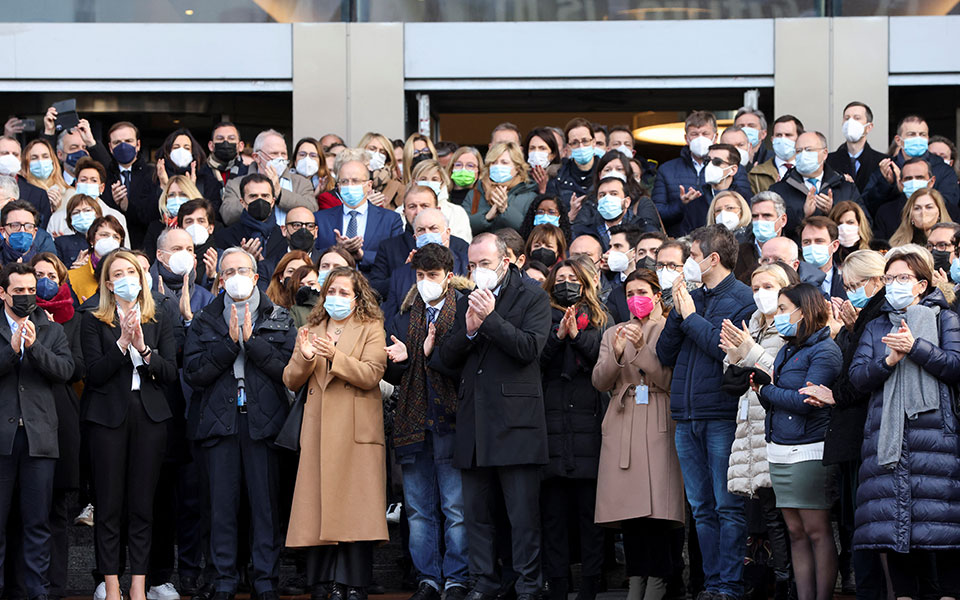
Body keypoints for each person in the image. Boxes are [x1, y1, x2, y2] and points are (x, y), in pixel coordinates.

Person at [438, 233, 552, 600]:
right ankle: (483, 582)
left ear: (506, 262)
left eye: (484, 264)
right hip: (474, 422)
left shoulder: (532, 295)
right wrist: (470, 332)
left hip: (516, 423)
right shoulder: (465, 300)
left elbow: (529, 348)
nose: (477, 271)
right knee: (476, 515)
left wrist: (489, 320)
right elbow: (444, 359)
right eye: (472, 265)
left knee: (522, 517)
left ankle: (529, 586)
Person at [182, 247, 296, 600]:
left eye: (242, 270)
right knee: (221, 507)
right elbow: (194, 372)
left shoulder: (279, 317)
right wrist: (230, 344)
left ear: (256, 276)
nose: (235, 277)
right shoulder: (205, 319)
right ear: (220, 280)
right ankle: (223, 580)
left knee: (265, 507)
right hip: (220, 424)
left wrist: (253, 342)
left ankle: (265, 580)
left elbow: (288, 371)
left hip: (265, 423)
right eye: (228, 272)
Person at [848, 245, 960, 599]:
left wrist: (916, 348)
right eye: (889, 278)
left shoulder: (944, 319)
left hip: (936, 440)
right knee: (894, 530)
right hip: (887, 439)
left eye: (902, 278)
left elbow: (955, 366)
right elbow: (857, 378)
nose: (894, 284)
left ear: (922, 284)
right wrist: (888, 361)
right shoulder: (876, 324)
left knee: (943, 530)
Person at [655, 224, 756, 600]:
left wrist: (691, 316)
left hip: (721, 415)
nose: (687, 264)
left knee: (727, 506)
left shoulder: (743, 299)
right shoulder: (691, 297)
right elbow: (664, 353)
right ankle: (712, 584)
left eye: (693, 256)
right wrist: (679, 312)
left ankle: (729, 584)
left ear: (713, 259)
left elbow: (725, 350)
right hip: (687, 415)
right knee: (700, 508)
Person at [282, 266, 388, 600]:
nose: (336, 298)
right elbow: (290, 379)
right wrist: (305, 357)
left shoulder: (372, 327)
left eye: (344, 293)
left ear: (357, 298)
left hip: (356, 432)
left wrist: (335, 357)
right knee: (317, 510)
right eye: (331, 291)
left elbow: (372, 374)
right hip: (318, 430)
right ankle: (323, 583)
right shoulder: (311, 328)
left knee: (356, 510)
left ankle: (354, 584)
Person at [81, 250, 178, 600]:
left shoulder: (159, 317)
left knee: (142, 506)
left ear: (141, 277)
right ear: (108, 284)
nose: (126, 279)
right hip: (107, 419)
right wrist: (122, 344)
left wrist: (144, 349)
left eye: (131, 272)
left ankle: (138, 584)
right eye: (118, 274)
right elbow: (92, 374)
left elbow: (170, 373)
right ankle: (111, 585)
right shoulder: (93, 319)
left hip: (149, 417)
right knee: (108, 506)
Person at [383, 244, 472, 600]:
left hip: (452, 422)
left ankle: (457, 579)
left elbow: (467, 366)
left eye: (432, 275)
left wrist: (430, 354)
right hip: (413, 424)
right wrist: (403, 360)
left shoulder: (465, 310)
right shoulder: (404, 316)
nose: (425, 282)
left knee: (455, 509)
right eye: (420, 275)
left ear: (449, 277)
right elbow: (392, 373)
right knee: (418, 510)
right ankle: (428, 579)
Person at [593, 267, 685, 599]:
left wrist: (643, 349)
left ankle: (659, 580)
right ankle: (635, 579)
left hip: (659, 417)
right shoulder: (613, 333)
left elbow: (670, 380)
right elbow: (600, 381)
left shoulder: (669, 329)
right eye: (630, 294)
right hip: (623, 420)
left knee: (658, 510)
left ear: (657, 295)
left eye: (643, 292)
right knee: (628, 510)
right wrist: (618, 353)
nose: (636, 299)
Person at [752, 283, 841, 600]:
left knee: (816, 530)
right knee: (795, 531)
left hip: (809, 450)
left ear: (803, 311)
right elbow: (778, 402)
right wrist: (762, 389)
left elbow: (806, 400)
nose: (777, 315)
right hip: (779, 449)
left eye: (783, 309)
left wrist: (766, 390)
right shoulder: (787, 349)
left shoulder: (825, 350)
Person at [720, 263, 797, 599]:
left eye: (769, 287)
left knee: (783, 517)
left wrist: (750, 351)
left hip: (779, 427)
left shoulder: (791, 323)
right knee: (766, 514)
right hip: (750, 426)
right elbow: (735, 379)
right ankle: (772, 582)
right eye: (756, 288)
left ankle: (788, 584)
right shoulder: (750, 324)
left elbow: (783, 374)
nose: (761, 294)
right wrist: (734, 357)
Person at [0, 262, 74, 600]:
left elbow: (65, 371)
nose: (27, 296)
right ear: (3, 293)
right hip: (2, 440)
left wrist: (34, 348)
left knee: (37, 523)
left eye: (31, 290)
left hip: (39, 440)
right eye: (19, 291)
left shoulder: (50, 329)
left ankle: (37, 593)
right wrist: (11, 350)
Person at [819, 249, 888, 599]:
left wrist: (855, 329)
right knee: (858, 523)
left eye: (856, 285)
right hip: (854, 435)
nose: (850, 293)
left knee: (871, 525)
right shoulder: (861, 320)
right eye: (846, 286)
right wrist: (850, 329)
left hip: (868, 433)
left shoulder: (880, 316)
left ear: (877, 280)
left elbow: (857, 379)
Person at [538, 258, 608, 600]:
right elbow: (535, 360)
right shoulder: (541, 316)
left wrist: (577, 337)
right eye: (560, 277)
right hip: (551, 423)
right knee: (553, 516)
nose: (566, 282)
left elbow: (602, 360)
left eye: (572, 277)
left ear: (584, 283)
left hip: (587, 424)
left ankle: (591, 583)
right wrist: (558, 336)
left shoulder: (598, 318)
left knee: (589, 515)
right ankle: (558, 583)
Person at [29, 253, 84, 599]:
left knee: (57, 510)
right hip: (23, 417)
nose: (44, 280)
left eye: (51, 275)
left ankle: (57, 584)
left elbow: (77, 368)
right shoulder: (13, 318)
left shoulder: (73, 319)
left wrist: (51, 334)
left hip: (61, 418)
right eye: (38, 274)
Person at [652, 111, 749, 237]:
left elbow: (745, 202)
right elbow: (657, 214)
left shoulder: (735, 169)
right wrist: (682, 205)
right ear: (686, 138)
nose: (700, 138)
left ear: (715, 136)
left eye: (705, 133)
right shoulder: (667, 170)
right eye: (694, 134)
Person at [314, 149, 404, 273]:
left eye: (355, 181)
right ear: (338, 186)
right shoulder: (320, 219)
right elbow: (311, 255)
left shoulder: (390, 220)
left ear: (369, 185)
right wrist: (338, 250)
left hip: (372, 282)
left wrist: (362, 255)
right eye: (344, 181)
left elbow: (396, 258)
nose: (350, 186)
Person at [768, 130, 864, 239]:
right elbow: (773, 231)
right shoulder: (779, 190)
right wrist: (804, 215)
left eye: (809, 150)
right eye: (799, 151)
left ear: (824, 153)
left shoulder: (846, 188)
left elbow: (864, 224)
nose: (803, 155)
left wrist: (832, 212)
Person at [862, 115, 960, 219]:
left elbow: (950, 206)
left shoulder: (944, 170)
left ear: (927, 138)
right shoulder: (887, 168)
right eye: (912, 134)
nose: (918, 138)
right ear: (898, 140)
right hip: (895, 227)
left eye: (922, 134)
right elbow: (868, 206)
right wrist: (889, 185)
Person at [381, 208, 469, 324]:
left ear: (447, 233)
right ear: (415, 237)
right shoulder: (400, 275)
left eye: (433, 228)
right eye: (421, 230)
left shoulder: (466, 264)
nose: (427, 234)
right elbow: (391, 321)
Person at [84, 121, 159, 248]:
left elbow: (153, 215)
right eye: (117, 142)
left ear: (138, 145)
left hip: (143, 247)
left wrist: (127, 206)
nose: (123, 146)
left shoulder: (152, 175)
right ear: (110, 147)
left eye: (128, 141)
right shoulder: (105, 176)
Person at [220, 129, 317, 226]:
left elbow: (313, 209)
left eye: (283, 154)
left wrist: (280, 194)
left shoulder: (301, 183)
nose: (280, 158)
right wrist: (257, 197)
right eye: (274, 154)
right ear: (257, 157)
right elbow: (227, 216)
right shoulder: (235, 184)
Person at [464, 142, 538, 234]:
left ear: (517, 168)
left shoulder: (529, 197)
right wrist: (487, 217)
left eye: (504, 162)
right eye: (494, 162)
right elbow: (462, 227)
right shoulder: (475, 194)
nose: (498, 166)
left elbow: (528, 231)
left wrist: (505, 210)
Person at [152, 227, 217, 323]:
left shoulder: (206, 298)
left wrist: (189, 318)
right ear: (160, 255)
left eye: (189, 249)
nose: (184, 254)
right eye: (177, 249)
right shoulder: (146, 292)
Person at [872, 158, 941, 241]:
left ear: (931, 181)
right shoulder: (885, 212)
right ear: (901, 183)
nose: (914, 182)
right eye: (908, 179)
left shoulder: (947, 209)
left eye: (919, 177)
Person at [825, 102, 887, 193]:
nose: (850, 122)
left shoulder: (882, 162)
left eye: (857, 118)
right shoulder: (828, 161)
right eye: (847, 118)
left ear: (869, 127)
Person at [409, 159, 472, 242]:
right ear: (414, 182)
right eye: (423, 179)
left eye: (434, 179)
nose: (429, 183)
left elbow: (462, 244)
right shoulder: (402, 212)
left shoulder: (456, 212)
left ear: (442, 182)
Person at [66, 215, 124, 303]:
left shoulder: (127, 275)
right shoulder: (72, 277)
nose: (110, 240)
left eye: (116, 237)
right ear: (92, 240)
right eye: (104, 235)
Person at [734, 191, 789, 284]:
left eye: (767, 215)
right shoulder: (736, 253)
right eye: (755, 216)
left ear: (783, 220)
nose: (759, 220)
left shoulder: (792, 251)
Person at [0, 135, 53, 228]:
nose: (11, 158)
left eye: (15, 154)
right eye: (5, 153)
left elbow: (42, 230)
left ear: (20, 159)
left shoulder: (38, 195)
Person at [197, 122, 249, 213]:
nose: (226, 142)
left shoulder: (249, 174)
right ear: (211, 146)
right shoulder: (199, 174)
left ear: (241, 146)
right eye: (220, 139)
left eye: (231, 138)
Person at [748, 115, 804, 195]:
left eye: (788, 135)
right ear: (772, 139)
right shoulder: (756, 174)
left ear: (800, 138)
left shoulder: (812, 170)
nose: (783, 139)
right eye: (778, 135)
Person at [22, 138, 72, 217]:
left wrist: (57, 210)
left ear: (53, 161)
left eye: (45, 157)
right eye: (34, 158)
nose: (40, 161)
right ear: (26, 164)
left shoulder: (70, 194)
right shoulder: (22, 193)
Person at [888, 187, 953, 248]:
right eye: (917, 208)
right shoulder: (897, 246)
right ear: (910, 215)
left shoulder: (954, 241)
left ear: (939, 212)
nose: (923, 212)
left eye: (929, 207)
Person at [555, 118, 598, 208]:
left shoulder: (606, 172)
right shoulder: (558, 177)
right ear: (568, 147)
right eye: (574, 143)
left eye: (585, 141)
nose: (581, 146)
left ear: (594, 143)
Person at [800, 216, 845, 298]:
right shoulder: (793, 280)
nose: (812, 246)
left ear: (834, 246)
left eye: (819, 241)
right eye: (806, 242)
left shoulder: (847, 280)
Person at [359, 132, 405, 209]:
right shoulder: (350, 180)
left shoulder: (397, 187)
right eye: (372, 149)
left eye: (382, 152)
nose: (377, 154)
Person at [1, 199, 54, 265]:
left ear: (35, 232)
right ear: (3, 231)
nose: (22, 230)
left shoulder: (45, 262)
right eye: (15, 225)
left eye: (28, 226)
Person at [54, 193, 101, 266]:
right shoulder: (61, 243)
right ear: (70, 219)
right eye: (76, 212)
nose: (82, 215)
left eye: (87, 210)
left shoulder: (107, 240)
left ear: (97, 214)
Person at [291, 137, 337, 209]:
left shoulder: (329, 184)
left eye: (313, 156)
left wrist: (320, 194)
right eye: (302, 155)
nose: (307, 159)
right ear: (295, 160)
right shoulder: (285, 182)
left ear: (320, 161)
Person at [827, 200, 873, 264]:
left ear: (859, 224)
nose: (844, 228)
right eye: (839, 223)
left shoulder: (873, 252)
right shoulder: (827, 255)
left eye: (850, 222)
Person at [523, 127, 561, 196]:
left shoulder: (561, 178)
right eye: (532, 148)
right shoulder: (521, 179)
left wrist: (543, 191)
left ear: (553, 155)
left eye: (542, 148)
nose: (536, 152)